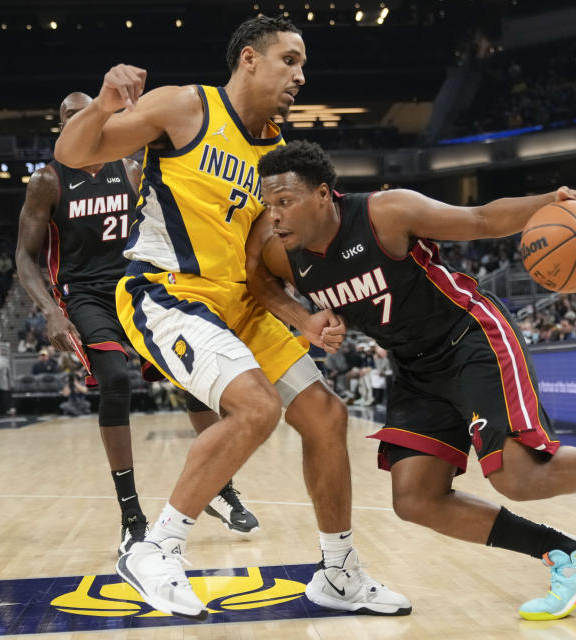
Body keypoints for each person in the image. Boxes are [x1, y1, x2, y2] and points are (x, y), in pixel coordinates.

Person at [247, 140, 576, 621]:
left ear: (323, 195)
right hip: (414, 366)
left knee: (518, 475)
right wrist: (303, 320)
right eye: (269, 205)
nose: (275, 216)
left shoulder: (386, 213)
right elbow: (258, 279)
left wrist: (553, 200)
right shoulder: (286, 255)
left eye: (286, 202)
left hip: (470, 336)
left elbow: (482, 220)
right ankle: (570, 556)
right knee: (415, 499)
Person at [54, 16, 409, 619]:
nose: (300, 75)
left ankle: (341, 574)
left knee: (325, 414)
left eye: (303, 64)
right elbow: (73, 153)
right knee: (256, 406)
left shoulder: (276, 155)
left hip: (238, 306)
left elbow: (255, 270)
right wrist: (104, 104)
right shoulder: (185, 107)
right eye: (289, 60)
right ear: (249, 58)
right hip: (166, 292)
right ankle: (155, 550)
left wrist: (301, 316)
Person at [17, 93, 259, 556]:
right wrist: (49, 309)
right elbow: (24, 257)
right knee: (113, 381)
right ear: (61, 125)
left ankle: (222, 490)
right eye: (70, 117)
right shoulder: (48, 180)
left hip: (136, 286)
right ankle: (131, 515)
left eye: (89, 114)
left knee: (193, 379)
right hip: (86, 296)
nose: (80, 122)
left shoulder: (128, 170)